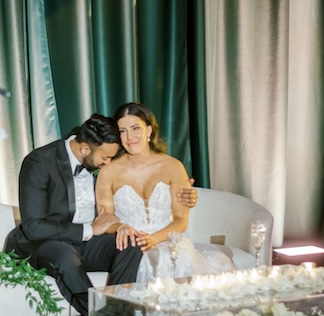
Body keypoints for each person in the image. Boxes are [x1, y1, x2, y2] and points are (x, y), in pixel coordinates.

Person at [4, 113, 197, 316]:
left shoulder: (99, 154)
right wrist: (89, 231)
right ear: (84, 148)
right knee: (66, 257)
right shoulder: (39, 162)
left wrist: (123, 226)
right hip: (42, 243)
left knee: (132, 244)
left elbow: (122, 189)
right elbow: (33, 226)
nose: (108, 164)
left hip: (85, 241)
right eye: (105, 158)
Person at [96, 103, 235, 287]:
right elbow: (106, 219)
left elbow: (180, 220)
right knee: (144, 260)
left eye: (136, 128)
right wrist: (121, 227)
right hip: (132, 246)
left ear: (149, 130)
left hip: (169, 240)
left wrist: (153, 239)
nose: (130, 137)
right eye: (123, 131)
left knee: (174, 258)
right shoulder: (109, 171)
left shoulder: (173, 166)